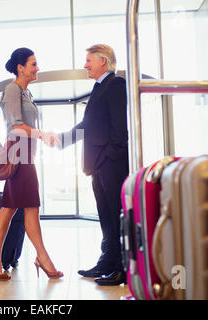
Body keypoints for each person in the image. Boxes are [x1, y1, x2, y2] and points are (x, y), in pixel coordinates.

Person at [58, 44, 129, 286]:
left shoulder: (116, 85)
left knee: (116, 217)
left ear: (104, 61)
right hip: (99, 166)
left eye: (89, 60)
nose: (85, 64)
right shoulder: (100, 88)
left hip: (111, 165)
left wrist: (108, 157)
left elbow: (120, 131)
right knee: (106, 217)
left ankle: (121, 269)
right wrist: (60, 140)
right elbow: (88, 125)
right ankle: (107, 263)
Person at [0, 47, 63, 281]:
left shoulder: (25, 93)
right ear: (20, 67)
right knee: (23, 207)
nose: (37, 68)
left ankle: (2, 263)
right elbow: (15, 127)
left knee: (15, 208)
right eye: (33, 64)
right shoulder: (12, 90)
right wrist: (43, 134)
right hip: (19, 156)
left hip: (25, 155)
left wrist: (40, 137)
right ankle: (42, 259)